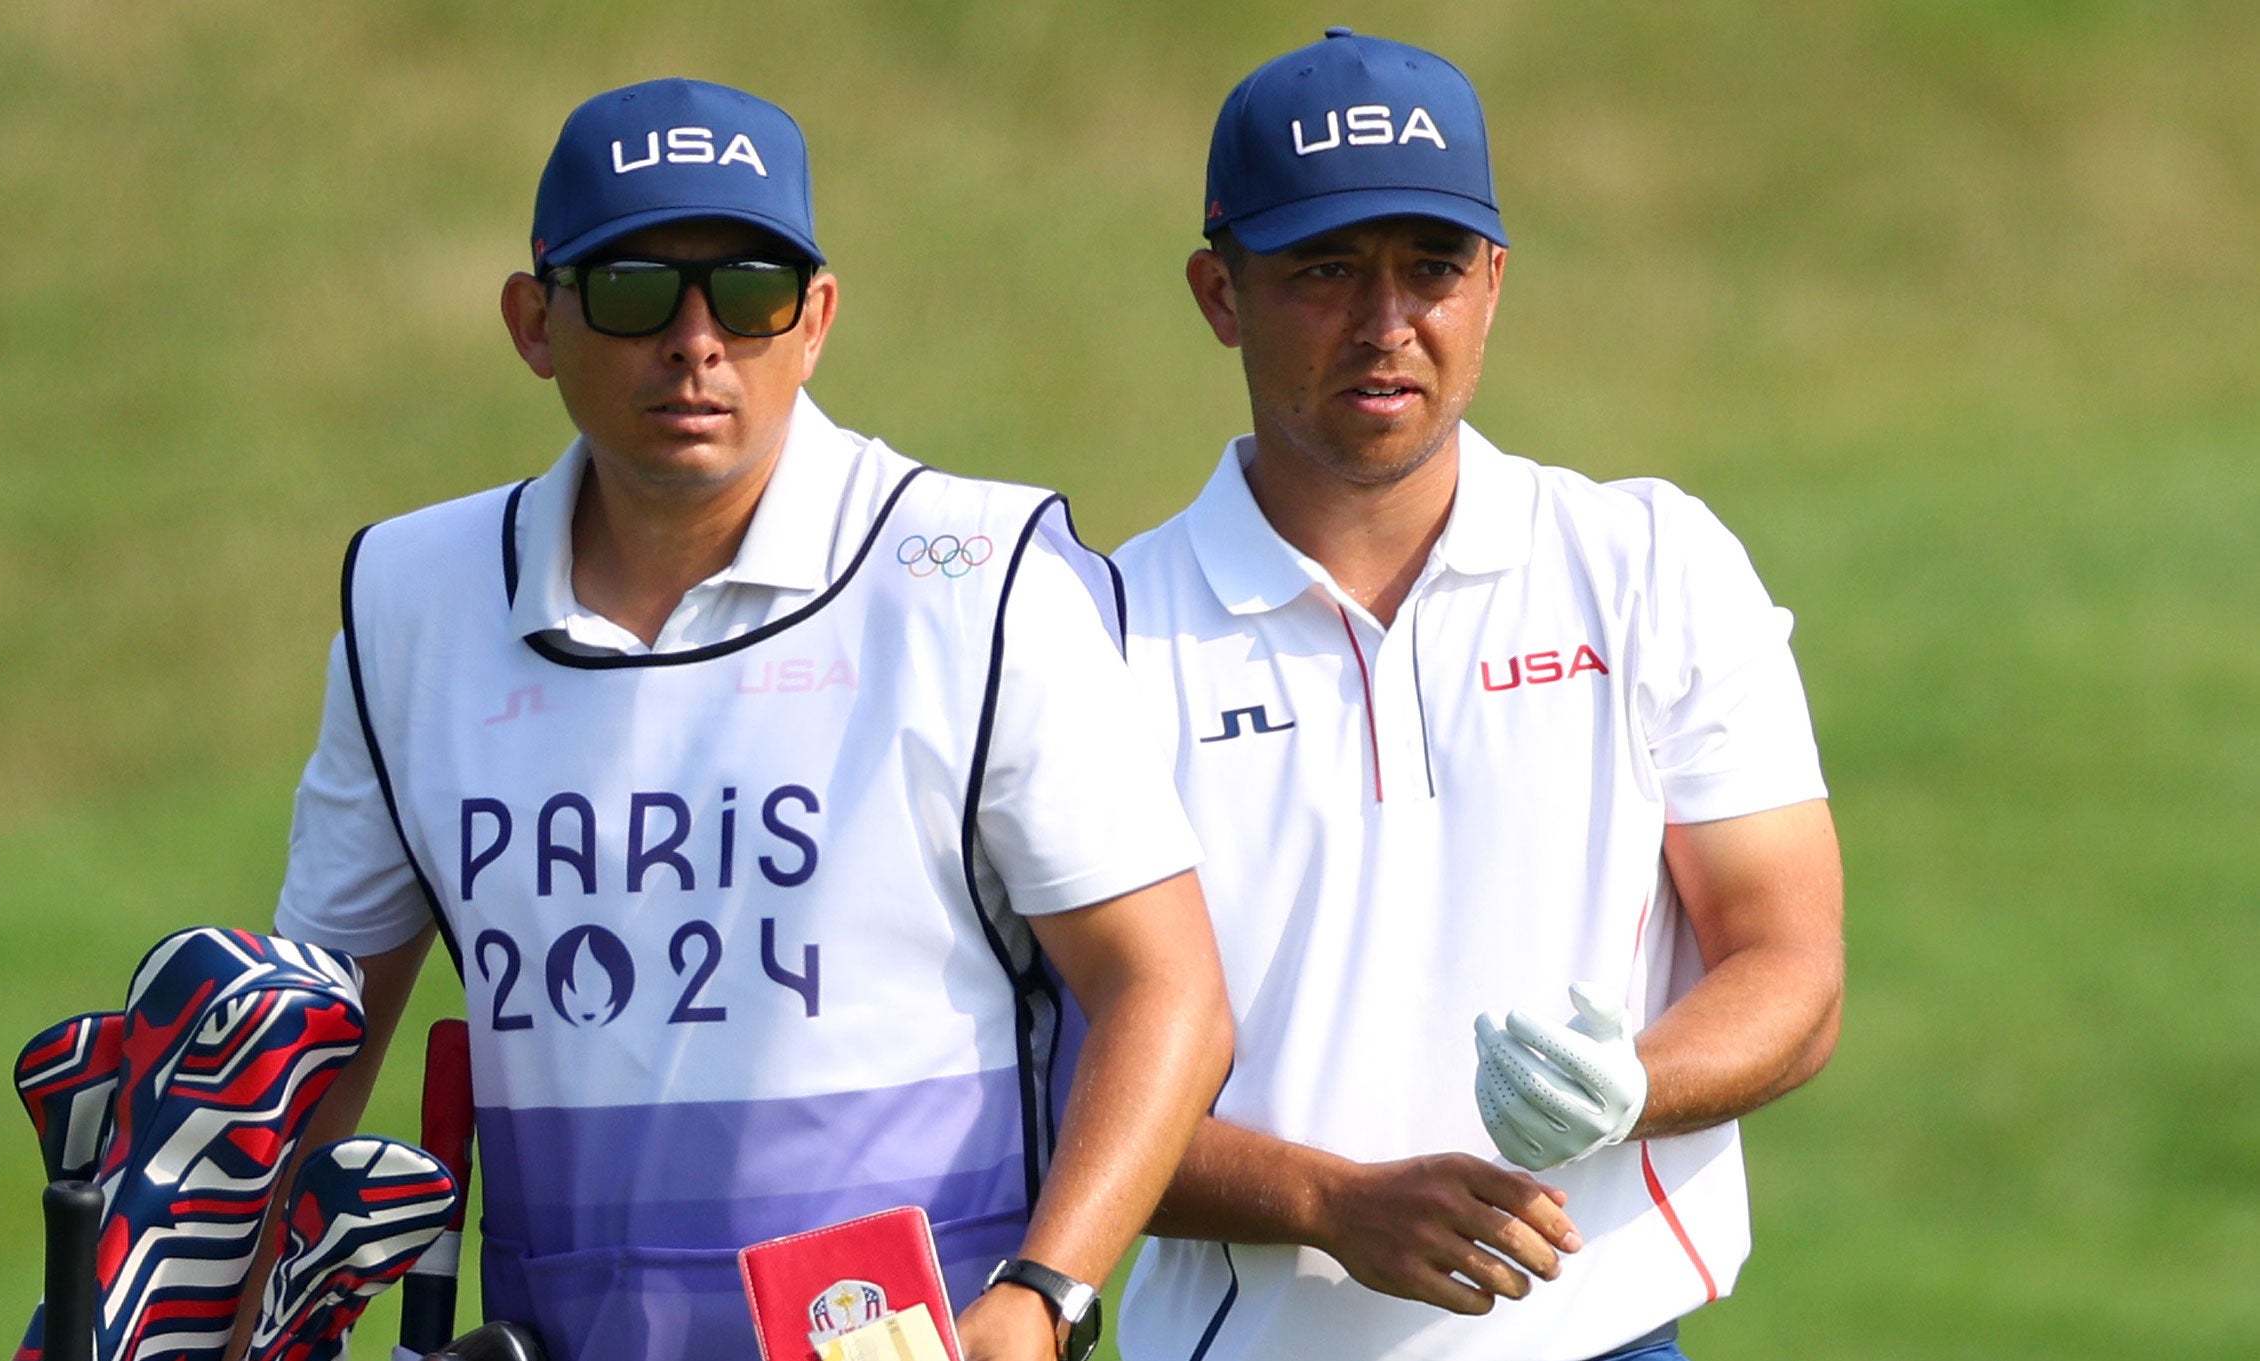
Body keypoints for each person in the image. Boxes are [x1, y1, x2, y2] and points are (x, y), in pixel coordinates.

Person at [257, 77, 1232, 1361]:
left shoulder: (977, 573)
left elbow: (1165, 991)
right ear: (532, 321)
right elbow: (306, 1035)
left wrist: (1043, 1295)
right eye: (632, 289)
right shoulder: (410, 599)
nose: (696, 339)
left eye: (752, 289)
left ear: (816, 317)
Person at [1113, 29, 1844, 1361]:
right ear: (1221, 294)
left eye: (1432, 267)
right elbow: (1051, 1099)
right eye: (1325, 270)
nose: (1388, 323)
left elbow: (1790, 964)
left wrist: (1632, 1085)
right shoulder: (1095, 636)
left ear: (1493, 283)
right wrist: (1323, 1204)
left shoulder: (1647, 564)